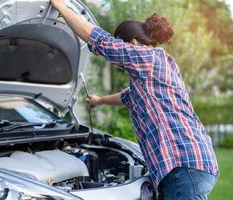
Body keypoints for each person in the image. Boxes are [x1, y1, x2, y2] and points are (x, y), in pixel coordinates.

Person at [49, 0, 219, 199]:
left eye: (121, 44)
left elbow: (100, 41)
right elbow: (127, 96)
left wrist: (61, 6)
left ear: (134, 44)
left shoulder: (148, 57)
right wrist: (99, 100)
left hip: (184, 165)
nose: (118, 55)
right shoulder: (152, 71)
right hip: (190, 164)